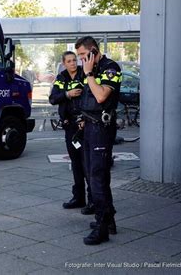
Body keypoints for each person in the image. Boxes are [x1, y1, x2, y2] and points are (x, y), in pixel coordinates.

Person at [75, 36, 121, 245]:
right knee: (92, 174)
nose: (81, 60)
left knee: (97, 177)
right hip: (88, 126)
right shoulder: (89, 69)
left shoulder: (110, 68)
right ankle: (108, 219)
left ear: (93, 51)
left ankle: (102, 227)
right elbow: (87, 98)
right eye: (79, 57)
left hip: (102, 129)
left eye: (84, 56)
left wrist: (89, 73)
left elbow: (101, 96)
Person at [49, 51, 94, 215]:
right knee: (75, 163)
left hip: (85, 125)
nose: (73, 63)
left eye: (74, 60)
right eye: (69, 61)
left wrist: (85, 118)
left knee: (86, 163)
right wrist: (67, 94)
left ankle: (93, 200)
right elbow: (53, 98)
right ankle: (79, 198)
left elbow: (92, 95)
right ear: (64, 63)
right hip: (70, 127)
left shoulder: (85, 74)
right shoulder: (61, 78)